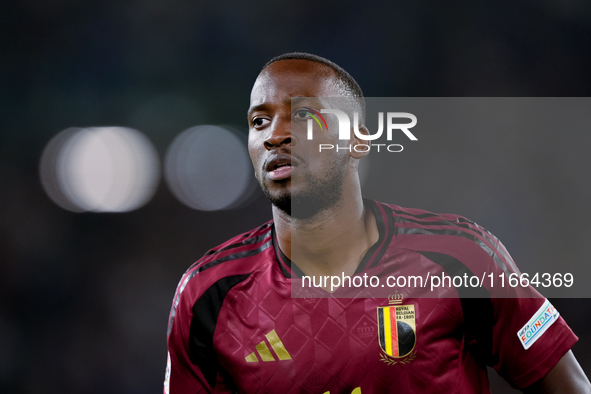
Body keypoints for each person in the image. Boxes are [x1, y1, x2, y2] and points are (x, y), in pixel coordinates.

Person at [164, 52, 590, 393]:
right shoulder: (207, 295)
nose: (275, 133)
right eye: (260, 121)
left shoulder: (460, 255)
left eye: (303, 116)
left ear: (358, 141)